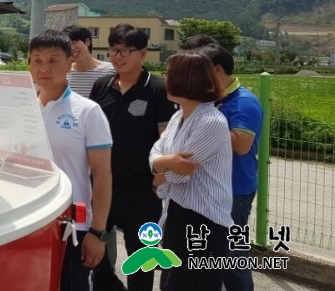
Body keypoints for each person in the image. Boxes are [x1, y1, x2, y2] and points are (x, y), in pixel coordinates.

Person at [89, 23, 177, 291]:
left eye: (126, 50)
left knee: (141, 263)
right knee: (95, 257)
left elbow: (167, 142)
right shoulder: (102, 86)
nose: (118, 56)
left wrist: (155, 184)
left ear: (143, 54)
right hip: (102, 189)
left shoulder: (158, 90)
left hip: (141, 194)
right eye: (114, 49)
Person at [28, 30, 112, 291]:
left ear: (69, 63)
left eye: (53, 60)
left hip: (73, 227)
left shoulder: (87, 111)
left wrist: (97, 233)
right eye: (37, 60)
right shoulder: (24, 109)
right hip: (30, 222)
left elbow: (102, 175)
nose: (44, 68)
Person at [183, 37, 264, 291]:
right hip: (208, 188)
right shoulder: (208, 99)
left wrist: (207, 120)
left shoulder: (243, 101)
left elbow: (241, 145)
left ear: (216, 70)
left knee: (232, 258)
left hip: (234, 190)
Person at [149, 51, 233, 291]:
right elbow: (154, 155)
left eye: (169, 74)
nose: (165, 78)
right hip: (178, 212)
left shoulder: (211, 122)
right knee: (172, 283)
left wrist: (159, 171)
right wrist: (163, 163)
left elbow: (179, 173)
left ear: (186, 79)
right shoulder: (178, 116)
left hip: (203, 220)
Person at [63, 24, 115, 98]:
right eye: (67, 45)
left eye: (74, 42)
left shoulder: (112, 71)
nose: (71, 48)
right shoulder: (64, 74)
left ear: (87, 41)